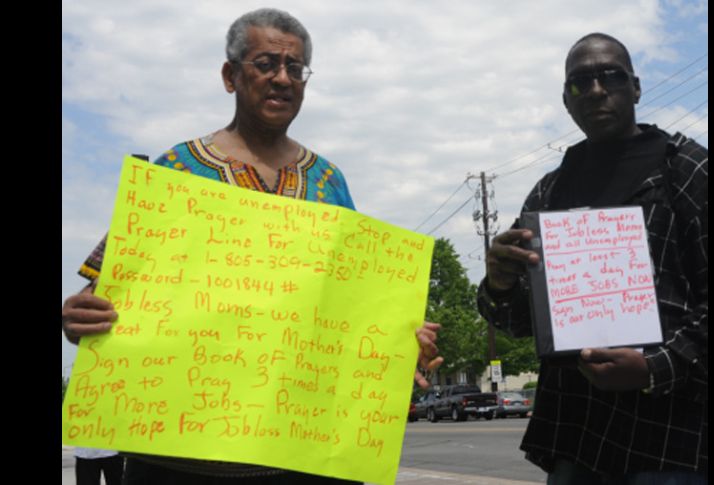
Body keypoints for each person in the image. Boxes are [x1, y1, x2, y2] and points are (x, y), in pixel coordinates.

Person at [62, 8, 442, 485]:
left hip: (305, 458)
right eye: (266, 64)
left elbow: (351, 312)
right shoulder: (175, 174)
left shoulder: (329, 182)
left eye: (296, 69)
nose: (283, 78)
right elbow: (107, 299)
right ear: (230, 75)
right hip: (178, 459)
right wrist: (79, 319)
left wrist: (400, 340)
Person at [477, 33, 707, 484]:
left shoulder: (687, 172)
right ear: (567, 100)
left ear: (636, 87)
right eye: (581, 83)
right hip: (579, 437)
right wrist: (500, 283)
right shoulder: (548, 193)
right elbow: (526, 323)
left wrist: (654, 368)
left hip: (671, 441)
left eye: (611, 77)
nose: (597, 90)